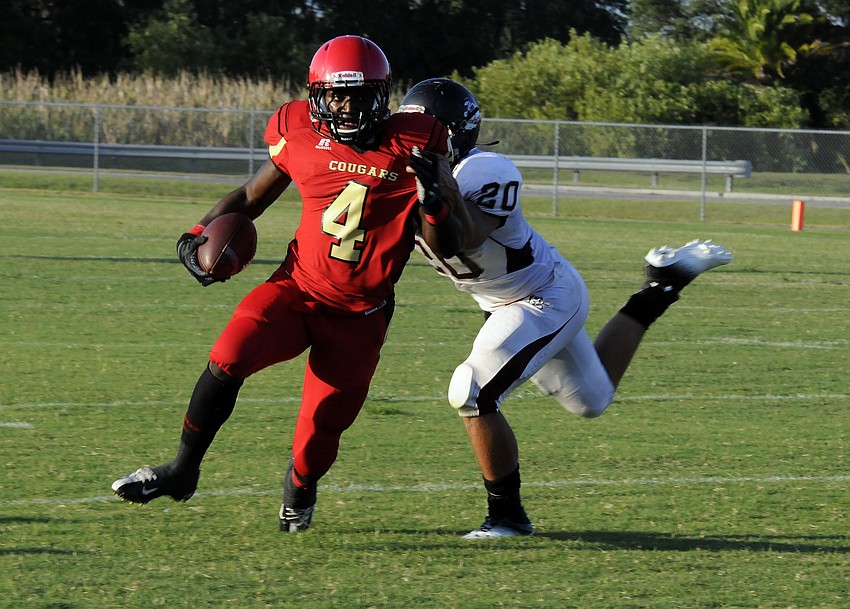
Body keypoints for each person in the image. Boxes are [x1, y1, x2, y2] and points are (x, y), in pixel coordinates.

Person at [111, 36, 471, 533]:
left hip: (361, 313)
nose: (346, 107)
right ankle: (181, 471)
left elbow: (449, 243)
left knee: (319, 433)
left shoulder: (418, 140)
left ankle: (300, 489)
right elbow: (251, 196)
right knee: (228, 353)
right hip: (297, 289)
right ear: (317, 95)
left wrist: (435, 202)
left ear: (382, 96)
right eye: (336, 96)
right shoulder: (297, 129)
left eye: (359, 96)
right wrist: (198, 232)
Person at [397, 78, 733, 539]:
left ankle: (507, 518)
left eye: (426, 129)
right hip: (500, 300)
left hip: (543, 295)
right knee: (592, 401)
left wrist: (439, 194)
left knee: (471, 391)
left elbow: (464, 237)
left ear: (454, 133)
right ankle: (661, 285)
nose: (414, 139)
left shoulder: (484, 169)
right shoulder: (398, 174)